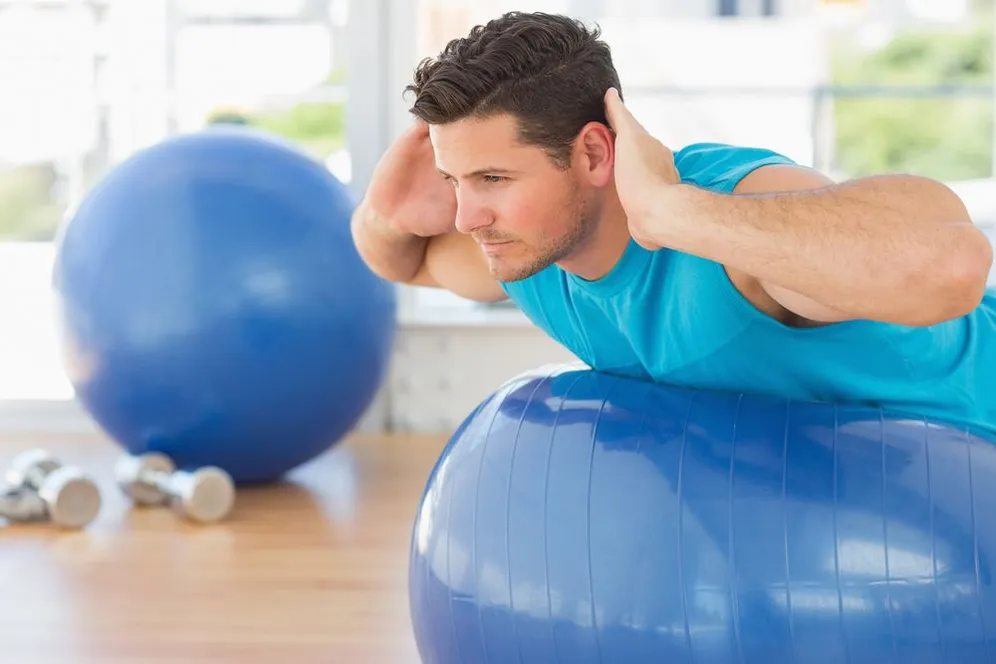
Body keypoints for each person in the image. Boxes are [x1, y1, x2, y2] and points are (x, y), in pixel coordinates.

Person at [351, 11, 996, 434]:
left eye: (493, 179)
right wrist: (386, 213)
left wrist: (672, 213)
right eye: (454, 180)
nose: (467, 217)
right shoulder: (533, 251)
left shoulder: (729, 213)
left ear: (596, 154)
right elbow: (404, 261)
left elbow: (953, 264)